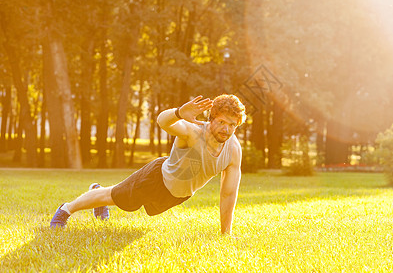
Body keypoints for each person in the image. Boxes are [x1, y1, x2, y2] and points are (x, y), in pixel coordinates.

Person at [50, 94, 246, 235]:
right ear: (211, 118)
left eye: (232, 125)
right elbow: (163, 122)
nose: (226, 129)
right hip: (156, 179)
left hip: (177, 195)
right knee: (114, 196)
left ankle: (98, 198)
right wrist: (178, 112)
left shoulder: (234, 151)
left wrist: (225, 233)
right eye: (221, 122)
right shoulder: (193, 132)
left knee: (120, 197)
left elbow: (228, 193)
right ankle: (65, 210)